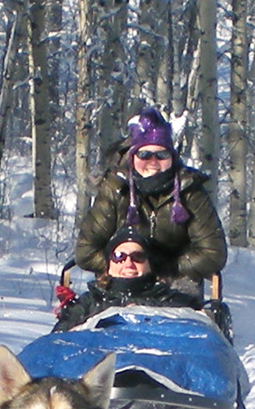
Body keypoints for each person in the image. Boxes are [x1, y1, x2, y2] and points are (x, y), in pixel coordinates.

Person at [74, 106, 227, 289]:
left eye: (161, 154)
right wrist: (123, 265)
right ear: (132, 157)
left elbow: (213, 253)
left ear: (172, 157)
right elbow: (86, 251)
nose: (153, 162)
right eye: (144, 154)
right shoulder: (115, 188)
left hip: (175, 283)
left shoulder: (190, 191)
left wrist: (163, 268)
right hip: (122, 283)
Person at [53, 226, 200, 332]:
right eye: (119, 257)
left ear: (149, 264)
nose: (129, 264)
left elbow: (201, 324)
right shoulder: (89, 303)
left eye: (138, 257)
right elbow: (57, 339)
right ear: (108, 265)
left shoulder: (170, 301)